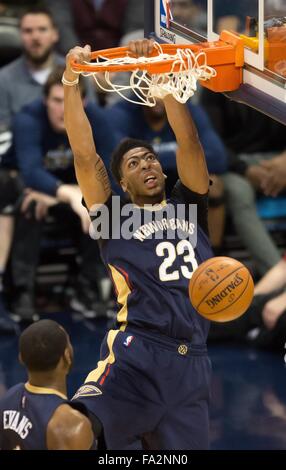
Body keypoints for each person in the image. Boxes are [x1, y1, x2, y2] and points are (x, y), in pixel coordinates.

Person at [63, 39, 213, 450]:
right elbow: (83, 155)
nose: (146, 164)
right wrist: (71, 80)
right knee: (69, 431)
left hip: (193, 361)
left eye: (149, 158)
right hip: (139, 352)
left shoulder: (189, 205)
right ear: (123, 184)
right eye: (134, 164)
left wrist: (165, 75)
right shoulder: (112, 217)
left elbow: (191, 145)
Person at [12, 65, 115, 320]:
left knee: (103, 209)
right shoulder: (28, 119)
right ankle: (22, 289)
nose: (63, 109)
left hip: (74, 195)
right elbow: (31, 171)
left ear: (84, 102)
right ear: (46, 100)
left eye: (70, 101)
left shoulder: (97, 119)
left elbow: (111, 171)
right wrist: (67, 194)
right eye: (57, 101)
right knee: (31, 204)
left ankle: (89, 285)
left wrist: (82, 197)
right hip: (36, 191)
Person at [0, 319, 97, 450]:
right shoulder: (71, 425)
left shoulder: (8, 398)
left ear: (21, 358)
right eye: (68, 342)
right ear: (67, 356)